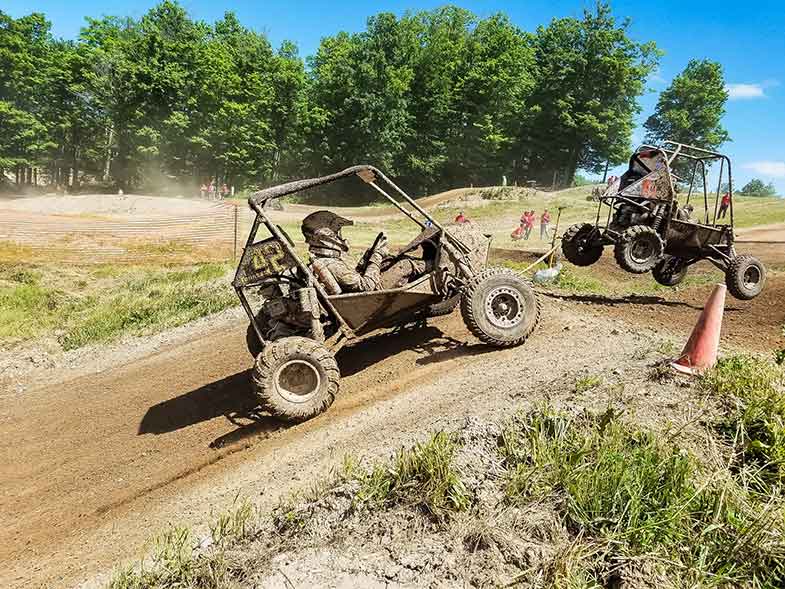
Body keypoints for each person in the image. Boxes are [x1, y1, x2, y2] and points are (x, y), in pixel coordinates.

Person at [302, 210, 426, 294]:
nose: (339, 235)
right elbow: (366, 286)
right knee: (406, 264)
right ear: (327, 236)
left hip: (363, 294)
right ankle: (435, 267)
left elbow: (354, 274)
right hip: (371, 295)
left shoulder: (327, 258)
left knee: (390, 261)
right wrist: (376, 255)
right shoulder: (331, 264)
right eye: (337, 231)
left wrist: (368, 256)